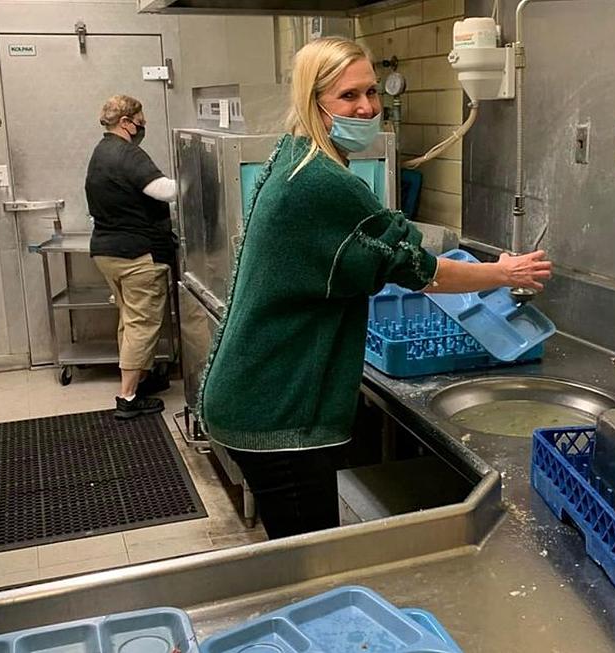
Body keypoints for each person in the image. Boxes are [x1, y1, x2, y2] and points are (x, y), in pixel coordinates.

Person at [199, 38, 552, 538]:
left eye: (371, 92)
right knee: (309, 562)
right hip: (278, 411)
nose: (366, 107)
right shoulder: (322, 182)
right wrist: (504, 272)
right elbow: (422, 271)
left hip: (254, 393)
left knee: (300, 552)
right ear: (312, 101)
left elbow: (374, 256)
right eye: (348, 96)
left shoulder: (294, 155)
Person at [86, 94, 177, 420]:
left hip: (106, 251)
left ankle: (140, 380)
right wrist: (198, 178)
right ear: (126, 122)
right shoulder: (128, 154)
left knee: (129, 319)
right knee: (142, 324)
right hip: (136, 254)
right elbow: (164, 191)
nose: (144, 124)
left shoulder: (100, 152)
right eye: (140, 118)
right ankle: (127, 397)